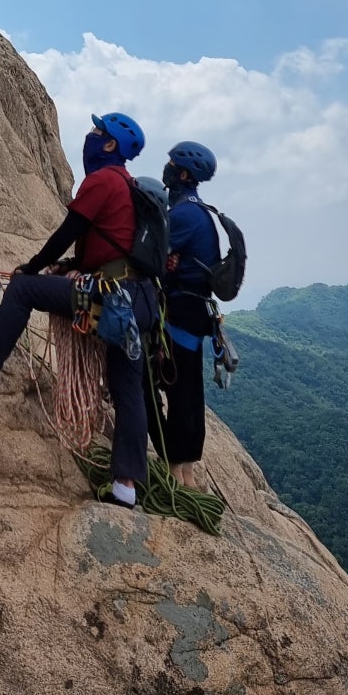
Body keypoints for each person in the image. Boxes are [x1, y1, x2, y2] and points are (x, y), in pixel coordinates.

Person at [0, 113, 157, 508]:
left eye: (98, 132)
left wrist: (32, 266)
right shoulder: (129, 186)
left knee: (25, 289)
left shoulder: (103, 180)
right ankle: (125, 488)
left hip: (112, 298)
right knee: (128, 388)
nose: (91, 136)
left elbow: (68, 230)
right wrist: (68, 266)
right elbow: (107, 244)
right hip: (139, 302)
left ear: (110, 145)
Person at [146, 142, 220, 488]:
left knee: (177, 388)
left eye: (172, 165)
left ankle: (178, 472)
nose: (167, 169)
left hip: (181, 312)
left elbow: (151, 256)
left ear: (184, 174)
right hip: (194, 311)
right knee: (188, 388)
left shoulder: (184, 214)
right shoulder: (197, 210)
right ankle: (186, 470)